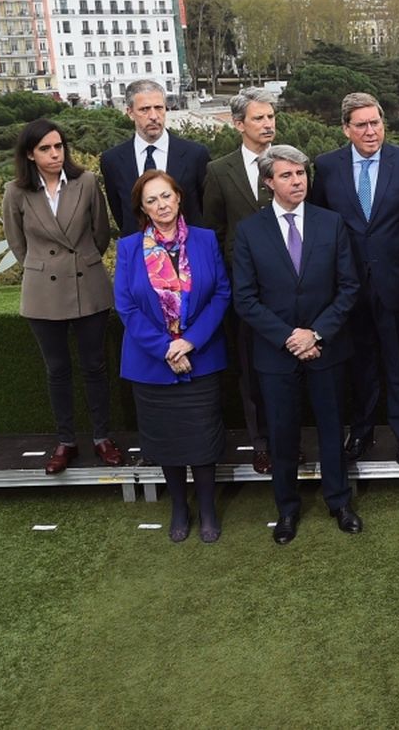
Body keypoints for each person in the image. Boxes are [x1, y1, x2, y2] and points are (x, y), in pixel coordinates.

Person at [234, 145, 364, 544]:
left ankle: (339, 502)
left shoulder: (331, 223)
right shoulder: (249, 231)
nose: (297, 181)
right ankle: (286, 510)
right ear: (268, 181)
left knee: (331, 429)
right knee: (283, 434)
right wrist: (289, 337)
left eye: (302, 173)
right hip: (276, 354)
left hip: (326, 348)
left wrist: (315, 334)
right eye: (287, 175)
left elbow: (348, 287)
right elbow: (245, 298)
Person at [309, 92, 399, 466]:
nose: (370, 131)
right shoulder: (327, 167)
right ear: (346, 129)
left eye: (375, 122)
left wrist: (393, 252)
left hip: (396, 281)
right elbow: (322, 220)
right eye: (361, 125)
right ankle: (361, 432)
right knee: (358, 363)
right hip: (347, 288)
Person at [114, 171, 231, 543]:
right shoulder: (130, 247)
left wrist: (190, 341)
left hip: (201, 357)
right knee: (166, 442)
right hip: (151, 364)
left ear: (179, 198)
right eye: (152, 200)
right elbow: (126, 306)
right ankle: (180, 507)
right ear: (142, 208)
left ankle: (208, 508)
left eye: (166, 196)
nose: (161, 205)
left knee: (202, 439)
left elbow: (221, 294)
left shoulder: (205, 240)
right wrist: (165, 347)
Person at [0, 118, 121, 475]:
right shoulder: (16, 192)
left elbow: (100, 234)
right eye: (45, 149)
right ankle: (65, 441)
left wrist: (80, 261)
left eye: (58, 146)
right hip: (43, 291)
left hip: (88, 283)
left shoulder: (86, 182)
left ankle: (103, 437)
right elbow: (18, 245)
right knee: (57, 370)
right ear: (30, 155)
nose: (54, 154)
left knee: (95, 367)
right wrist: (41, 267)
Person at [201, 88, 279, 475]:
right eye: (259, 118)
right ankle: (261, 443)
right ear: (238, 124)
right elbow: (212, 231)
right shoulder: (219, 170)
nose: (267, 124)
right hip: (242, 291)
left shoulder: (292, 164)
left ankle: (287, 439)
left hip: (289, 287)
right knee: (250, 369)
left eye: (270, 117)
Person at [100, 79, 209, 236]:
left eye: (159, 108)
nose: (153, 116)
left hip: (188, 252)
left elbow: (206, 209)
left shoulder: (196, 154)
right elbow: (121, 213)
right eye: (144, 109)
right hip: (139, 253)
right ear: (130, 113)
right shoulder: (112, 161)